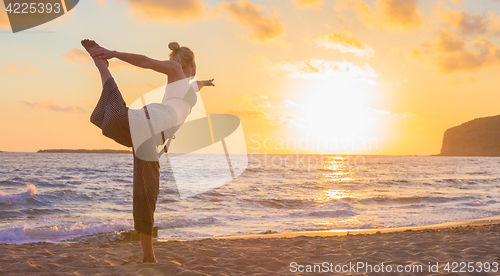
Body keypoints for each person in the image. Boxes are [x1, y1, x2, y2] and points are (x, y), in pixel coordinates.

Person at [81, 39, 214, 263]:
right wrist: (112, 53)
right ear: (191, 62)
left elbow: (195, 85)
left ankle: (148, 256)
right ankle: (102, 65)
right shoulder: (175, 69)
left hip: (152, 139)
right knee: (114, 118)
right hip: (157, 120)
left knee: (146, 193)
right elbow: (146, 62)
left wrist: (204, 82)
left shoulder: (187, 85)